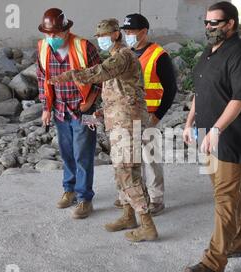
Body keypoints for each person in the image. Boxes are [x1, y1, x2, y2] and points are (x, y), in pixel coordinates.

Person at [49, 19, 159, 242]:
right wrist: (99, 114)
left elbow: (100, 73)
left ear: (116, 34)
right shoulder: (116, 58)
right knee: (121, 172)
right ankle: (129, 216)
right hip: (118, 122)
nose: (100, 39)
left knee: (128, 172)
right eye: (98, 36)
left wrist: (71, 75)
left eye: (105, 35)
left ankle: (147, 225)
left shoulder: (123, 56)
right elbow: (116, 95)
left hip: (127, 124)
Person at [182, 2, 241, 272]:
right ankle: (236, 241)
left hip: (233, 137)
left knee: (225, 198)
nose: (209, 28)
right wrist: (190, 121)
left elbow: (239, 99)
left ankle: (214, 262)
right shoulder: (209, 52)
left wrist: (216, 129)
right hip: (209, 134)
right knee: (226, 194)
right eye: (206, 23)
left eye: (214, 23)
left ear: (230, 23)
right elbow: (201, 90)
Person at [109, 13, 177, 216]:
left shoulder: (159, 55)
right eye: (125, 31)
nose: (127, 34)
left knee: (151, 159)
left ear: (144, 32)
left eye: (130, 31)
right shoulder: (124, 54)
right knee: (126, 159)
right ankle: (128, 196)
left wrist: (157, 116)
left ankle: (156, 199)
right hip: (126, 116)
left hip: (150, 116)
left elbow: (171, 89)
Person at [37, 8, 101, 219]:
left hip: (85, 110)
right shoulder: (44, 48)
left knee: (83, 154)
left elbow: (101, 78)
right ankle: (70, 190)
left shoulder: (84, 47)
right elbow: (42, 79)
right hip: (60, 111)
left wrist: (90, 102)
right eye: (48, 34)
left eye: (56, 34)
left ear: (66, 30)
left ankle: (84, 199)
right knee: (67, 153)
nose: (51, 38)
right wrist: (46, 107)